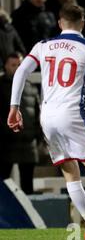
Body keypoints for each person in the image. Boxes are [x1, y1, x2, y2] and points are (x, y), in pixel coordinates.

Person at [7, 4, 85, 240]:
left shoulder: (43, 45)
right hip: (72, 113)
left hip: (47, 116)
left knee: (70, 172)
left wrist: (14, 107)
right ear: (82, 23)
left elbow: (20, 71)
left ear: (60, 23)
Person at [0, 52, 40, 194]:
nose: (17, 68)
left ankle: (27, 217)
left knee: (28, 188)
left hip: (29, 145)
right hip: (6, 145)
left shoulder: (31, 86)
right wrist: (7, 132)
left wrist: (36, 135)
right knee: (3, 187)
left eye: (19, 65)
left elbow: (38, 114)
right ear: (5, 66)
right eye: (13, 65)